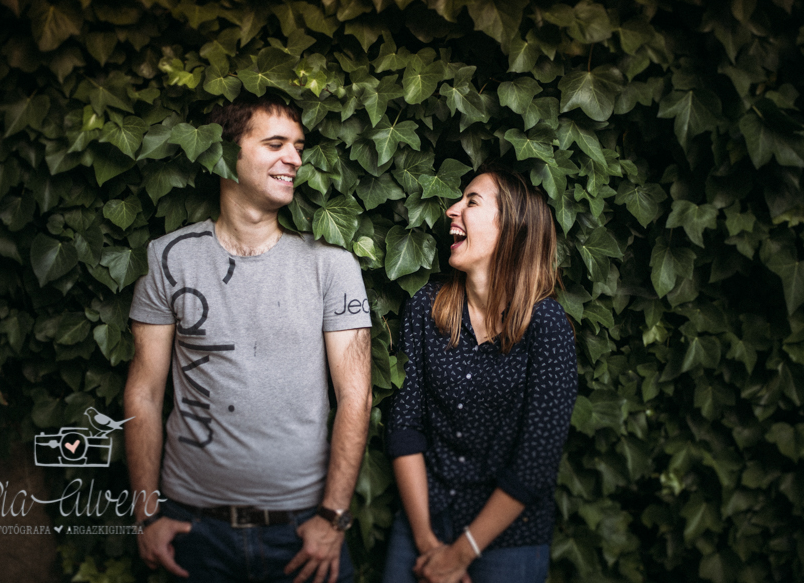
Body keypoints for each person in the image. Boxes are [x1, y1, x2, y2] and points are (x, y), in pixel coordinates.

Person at [124, 93, 372, 583]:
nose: (295, 159)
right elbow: (144, 392)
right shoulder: (169, 257)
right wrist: (146, 514)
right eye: (276, 144)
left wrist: (333, 516)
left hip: (303, 529)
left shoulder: (331, 265)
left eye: (298, 146)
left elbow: (356, 397)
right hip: (190, 525)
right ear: (225, 152)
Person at [382, 167, 578, 583]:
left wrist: (462, 553)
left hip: (508, 539)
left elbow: (536, 459)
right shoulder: (426, 307)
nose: (452, 210)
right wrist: (427, 542)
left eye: (471, 202)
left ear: (513, 227)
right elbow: (404, 425)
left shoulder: (547, 326)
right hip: (424, 520)